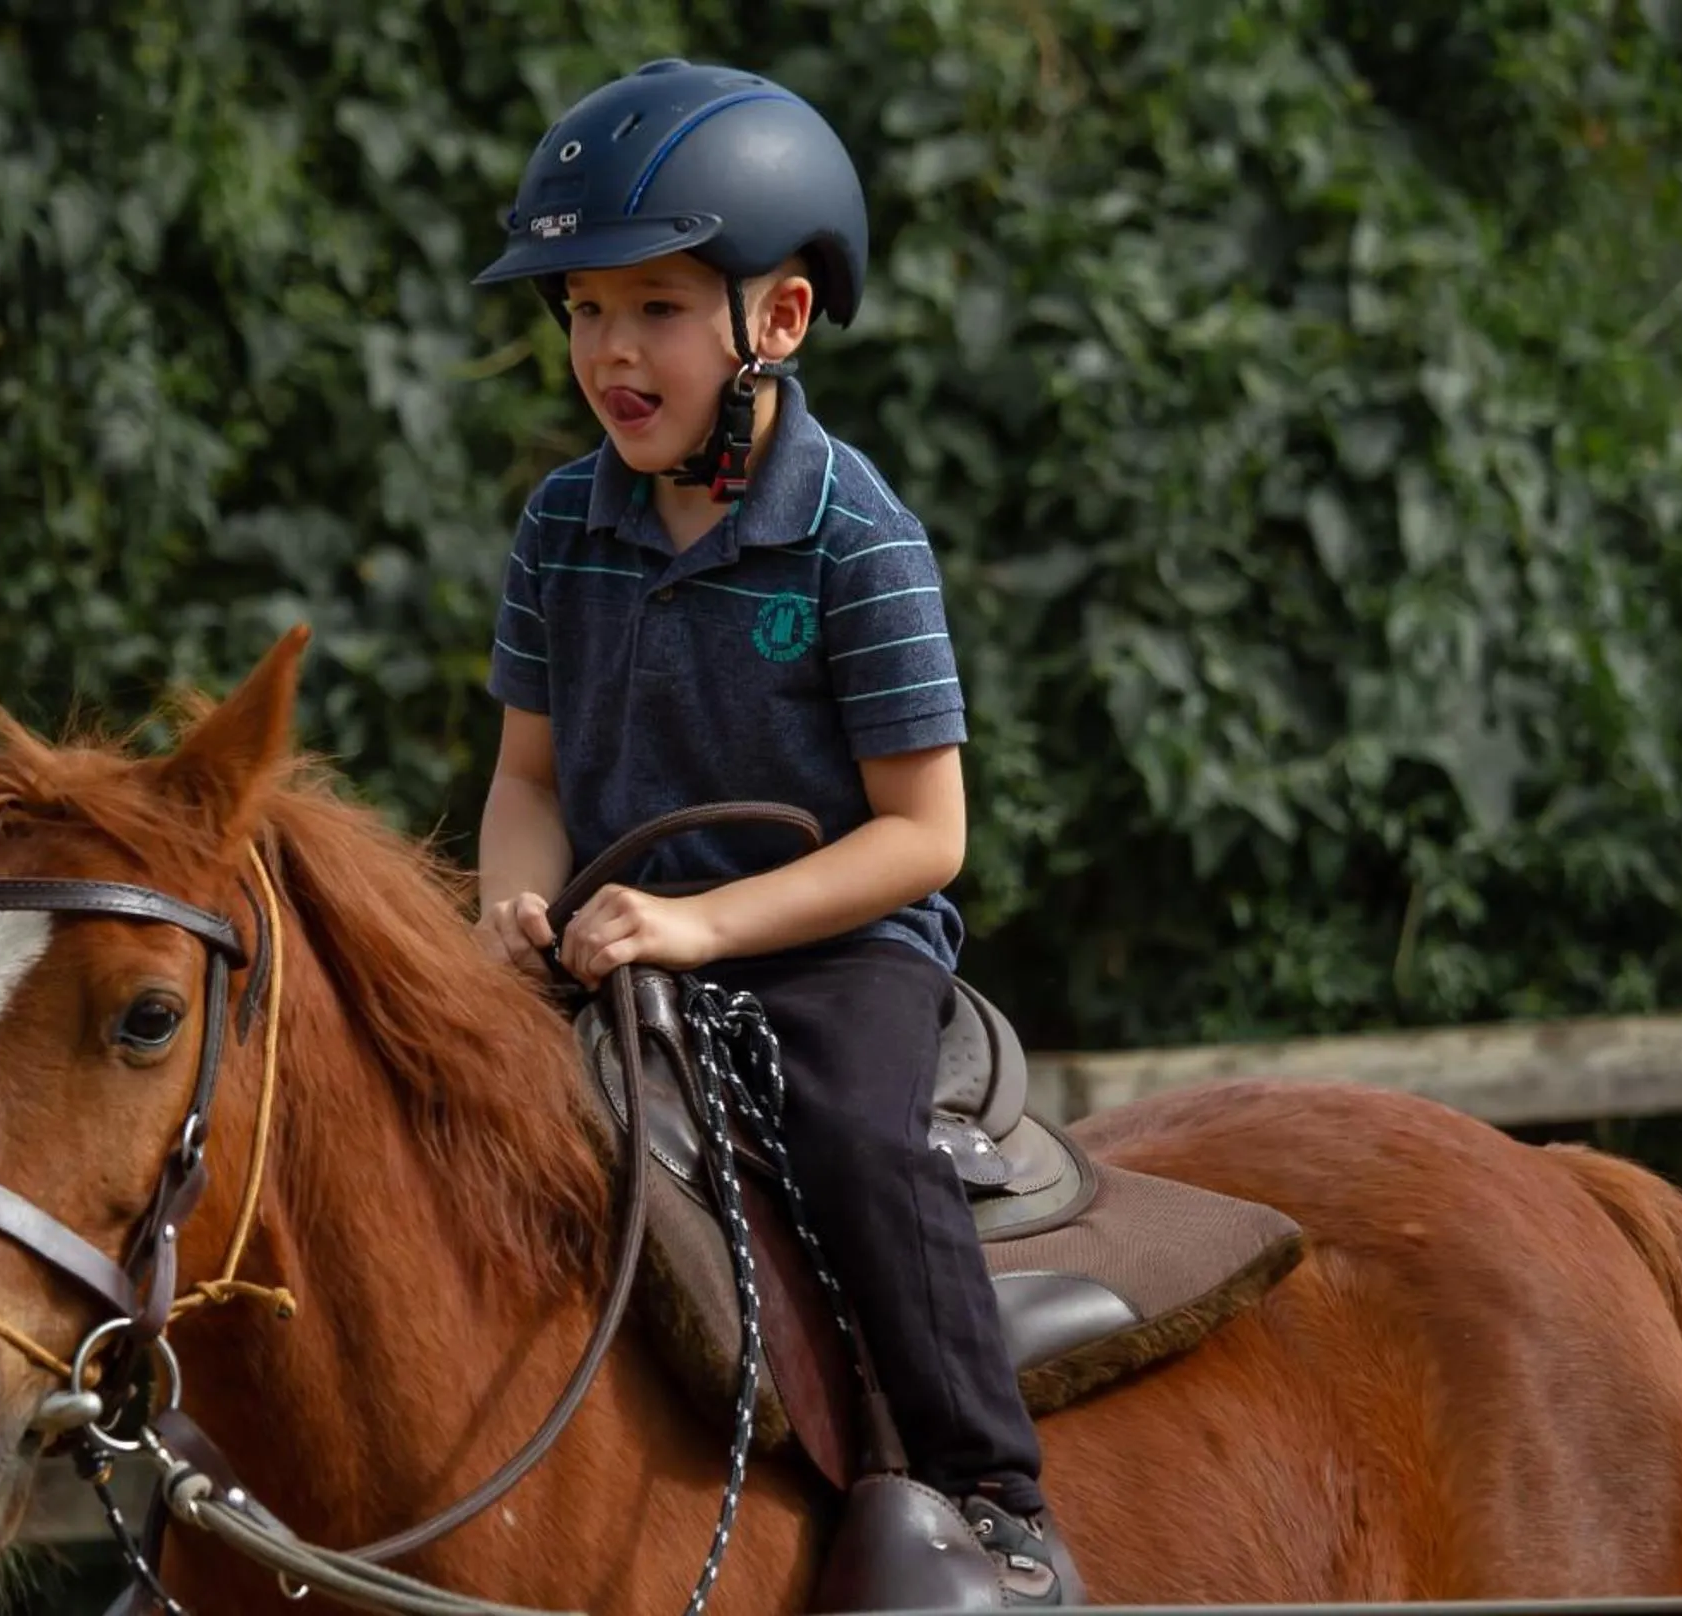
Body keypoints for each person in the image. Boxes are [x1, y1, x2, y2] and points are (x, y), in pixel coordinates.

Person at [463, 58, 1079, 1606]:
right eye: (584, 310)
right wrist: (508, 908)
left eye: (657, 308)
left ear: (777, 322)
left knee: (864, 1147)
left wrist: (695, 926)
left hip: (828, 950)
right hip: (609, 936)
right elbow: (527, 780)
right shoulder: (561, 527)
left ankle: (992, 1497)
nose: (611, 349)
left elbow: (924, 839)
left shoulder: (860, 536)